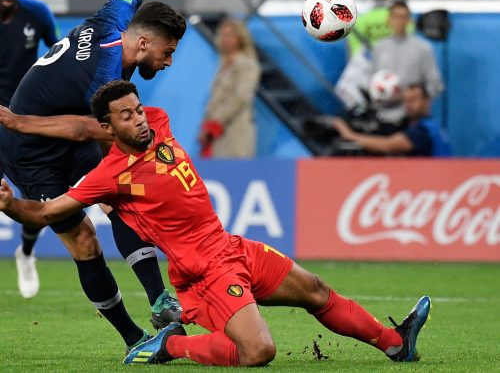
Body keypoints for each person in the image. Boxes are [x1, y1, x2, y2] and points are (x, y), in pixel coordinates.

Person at [0, 80, 431, 366]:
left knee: (316, 290)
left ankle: (395, 343)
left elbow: (96, 125)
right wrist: (10, 204)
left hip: (230, 246)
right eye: (127, 116)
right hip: (202, 272)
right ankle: (170, 344)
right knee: (258, 351)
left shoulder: (160, 124)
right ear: (108, 127)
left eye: (138, 109)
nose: (140, 118)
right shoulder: (109, 176)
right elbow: (47, 212)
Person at [0, 0, 239, 352]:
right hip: (30, 149)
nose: (167, 63)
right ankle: (133, 338)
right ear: (144, 43)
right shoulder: (108, 71)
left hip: (61, 127)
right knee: (84, 240)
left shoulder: (115, 15)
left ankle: (160, 303)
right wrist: (21, 124)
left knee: (124, 196)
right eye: (166, 54)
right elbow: (91, 127)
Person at [0, 0, 58, 298]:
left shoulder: (36, 14)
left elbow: (58, 53)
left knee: (39, 202)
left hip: (24, 117)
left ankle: (26, 252)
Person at [370, 0, 444, 124]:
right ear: (389, 20)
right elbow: (372, 80)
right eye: (396, 17)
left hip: (410, 118)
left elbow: (435, 85)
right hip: (382, 117)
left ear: (409, 20)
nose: (400, 22)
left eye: (404, 17)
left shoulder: (422, 48)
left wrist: (416, 99)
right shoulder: (379, 48)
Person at [332, 84, 451, 157]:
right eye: (406, 101)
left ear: (427, 101)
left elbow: (389, 145)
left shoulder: (423, 130)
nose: (409, 105)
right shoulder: (431, 127)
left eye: (414, 100)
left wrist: (350, 135)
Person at [199, 19, 261, 158]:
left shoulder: (247, 65)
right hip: (215, 135)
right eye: (223, 35)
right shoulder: (222, 65)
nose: (226, 39)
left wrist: (216, 121)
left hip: (235, 132)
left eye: (230, 35)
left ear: (240, 37)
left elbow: (241, 97)